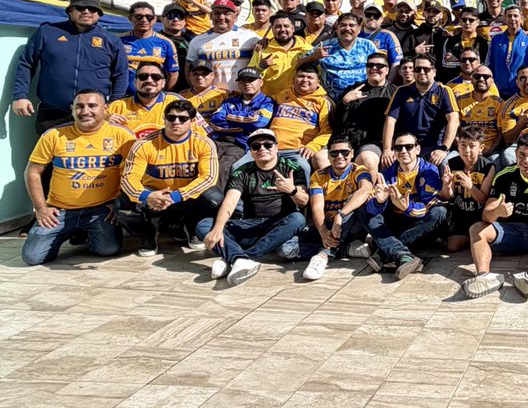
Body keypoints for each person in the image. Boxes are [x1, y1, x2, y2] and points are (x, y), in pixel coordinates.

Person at [21, 89, 136, 265]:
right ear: (72, 109)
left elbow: (133, 172)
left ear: (105, 109)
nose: (85, 111)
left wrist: (119, 204)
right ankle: (68, 231)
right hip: (60, 210)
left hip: (101, 210)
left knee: (108, 249)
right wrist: (41, 208)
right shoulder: (53, 135)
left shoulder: (122, 135)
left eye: (92, 106)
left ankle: (86, 232)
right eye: (79, 106)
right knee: (32, 257)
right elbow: (33, 171)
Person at [196, 128, 308, 286]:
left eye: (268, 145)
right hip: (250, 225)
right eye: (256, 146)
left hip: (279, 224)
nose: (262, 148)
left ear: (277, 148)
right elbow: (230, 202)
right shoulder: (243, 172)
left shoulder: (292, 167)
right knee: (204, 225)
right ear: (251, 152)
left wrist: (292, 190)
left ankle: (240, 257)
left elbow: (303, 201)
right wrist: (218, 229)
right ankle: (238, 258)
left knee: (298, 219)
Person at [461, 133, 528, 299]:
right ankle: (484, 277)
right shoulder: (504, 176)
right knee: (476, 229)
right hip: (509, 232)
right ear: (515, 154)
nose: (526, 160)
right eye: (521, 155)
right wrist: (497, 212)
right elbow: (486, 215)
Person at [12, 0, 128, 133]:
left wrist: (112, 106)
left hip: (93, 115)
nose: (86, 11)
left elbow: (121, 74)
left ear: (99, 14)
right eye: (80, 8)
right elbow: (26, 64)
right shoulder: (47, 32)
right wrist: (20, 96)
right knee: (49, 148)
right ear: (70, 11)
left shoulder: (111, 40)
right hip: (53, 113)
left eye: (92, 9)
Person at [118, 99, 219, 256]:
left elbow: (208, 178)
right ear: (164, 119)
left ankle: (193, 226)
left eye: (183, 119)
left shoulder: (204, 143)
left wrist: (176, 196)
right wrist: (147, 196)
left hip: (186, 198)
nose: (176, 122)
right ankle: (147, 234)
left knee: (214, 197)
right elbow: (128, 179)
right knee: (122, 204)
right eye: (171, 118)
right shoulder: (144, 144)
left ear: (192, 121)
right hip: (154, 197)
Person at [362, 131, 447, 278]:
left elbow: (430, 203)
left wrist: (407, 207)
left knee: (439, 211)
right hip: (395, 221)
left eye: (408, 147)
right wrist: (379, 202)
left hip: (419, 225)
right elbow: (373, 209)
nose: (403, 151)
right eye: (398, 148)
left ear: (417, 149)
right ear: (394, 152)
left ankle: (385, 252)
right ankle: (402, 254)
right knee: (364, 208)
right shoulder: (388, 172)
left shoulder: (429, 170)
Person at [289, 135, 374, 280]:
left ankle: (323, 256)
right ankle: (343, 249)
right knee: (285, 248)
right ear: (328, 155)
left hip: (349, 223)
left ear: (352, 154)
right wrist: (323, 231)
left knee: (356, 203)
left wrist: (340, 215)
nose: (339, 156)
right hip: (328, 224)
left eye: (344, 152)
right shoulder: (319, 176)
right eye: (334, 153)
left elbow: (365, 190)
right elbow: (317, 208)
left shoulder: (359, 171)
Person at [336, 52, 398, 173]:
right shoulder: (353, 89)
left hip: (374, 143)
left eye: (379, 66)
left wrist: (390, 147)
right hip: (347, 140)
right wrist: (344, 102)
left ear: (387, 70)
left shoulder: (395, 92)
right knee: (320, 158)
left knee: (367, 159)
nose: (374, 68)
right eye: (370, 65)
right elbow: (337, 121)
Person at [269, 63, 334, 178]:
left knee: (303, 168)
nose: (305, 80)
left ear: (318, 82)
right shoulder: (281, 95)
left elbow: (327, 130)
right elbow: (259, 101)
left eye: (310, 77)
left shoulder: (323, 102)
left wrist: (313, 146)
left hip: (299, 151)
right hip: (271, 148)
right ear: (293, 79)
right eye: (301, 76)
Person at [439, 126, 497, 252]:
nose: (467, 150)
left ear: (481, 148)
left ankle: (476, 238)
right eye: (463, 145)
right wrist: (447, 185)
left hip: (479, 215)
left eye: (472, 146)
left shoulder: (488, 166)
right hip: (461, 213)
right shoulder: (452, 163)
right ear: (458, 146)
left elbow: (483, 199)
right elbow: (447, 196)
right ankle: (469, 238)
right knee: (451, 246)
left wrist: (470, 186)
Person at [186, 0, 260, 91]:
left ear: (235, 17)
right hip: (211, 97)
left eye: (226, 13)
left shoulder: (250, 36)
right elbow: (188, 70)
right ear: (211, 16)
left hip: (243, 96)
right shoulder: (197, 40)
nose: (221, 17)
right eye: (217, 13)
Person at [302, 13, 376, 102]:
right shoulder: (325, 46)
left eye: (351, 25)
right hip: (331, 100)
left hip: (362, 98)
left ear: (359, 29)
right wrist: (313, 57)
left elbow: (380, 67)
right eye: (343, 25)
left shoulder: (368, 46)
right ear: (337, 29)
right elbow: (298, 64)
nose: (347, 28)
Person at [107, 63, 187, 139]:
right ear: (135, 82)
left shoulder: (177, 102)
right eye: (143, 77)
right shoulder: (118, 106)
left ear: (163, 83)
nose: (149, 80)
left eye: (156, 77)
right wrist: (104, 121)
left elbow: (193, 133)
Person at [120, 1, 181, 93]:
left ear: (155, 19)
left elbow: (173, 74)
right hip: (123, 96)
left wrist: (164, 95)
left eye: (149, 17)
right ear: (130, 18)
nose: (144, 20)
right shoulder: (118, 41)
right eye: (139, 17)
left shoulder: (166, 43)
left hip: (153, 97)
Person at [249, 11, 309, 100]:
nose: (282, 29)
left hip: (296, 102)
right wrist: (261, 66)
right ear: (272, 29)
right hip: (269, 101)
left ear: (293, 28)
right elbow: (249, 76)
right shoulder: (263, 49)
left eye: (286, 26)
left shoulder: (306, 49)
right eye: (278, 27)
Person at [486, 5, 528, 98]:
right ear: (505, 19)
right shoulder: (496, 40)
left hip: (522, 90)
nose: (512, 19)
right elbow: (490, 64)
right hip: (499, 91)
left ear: (521, 18)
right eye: (509, 16)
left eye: (515, 16)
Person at [455, 66, 505, 165]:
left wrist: (489, 150)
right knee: (447, 160)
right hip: (463, 150)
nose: (481, 79)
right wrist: (462, 148)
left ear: (492, 81)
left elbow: (501, 134)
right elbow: (454, 131)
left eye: (486, 76)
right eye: (477, 76)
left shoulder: (499, 103)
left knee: (496, 162)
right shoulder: (460, 101)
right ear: (471, 80)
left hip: (490, 151)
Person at [159, 3, 195, 71]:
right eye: (171, 16)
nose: (176, 19)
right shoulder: (155, 39)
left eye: (180, 16)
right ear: (162, 19)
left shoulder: (191, 40)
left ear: (185, 21)